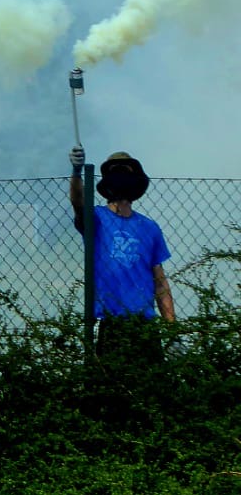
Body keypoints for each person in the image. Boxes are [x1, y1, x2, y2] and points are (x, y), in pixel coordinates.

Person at [69, 147, 173, 358]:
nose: (121, 176)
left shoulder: (149, 228)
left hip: (145, 325)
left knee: (152, 387)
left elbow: (160, 282)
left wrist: (173, 334)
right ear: (108, 180)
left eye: (125, 170)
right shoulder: (96, 218)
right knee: (111, 386)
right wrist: (76, 172)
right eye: (115, 171)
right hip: (110, 323)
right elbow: (78, 202)